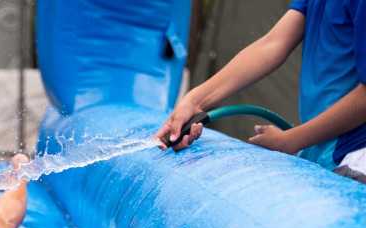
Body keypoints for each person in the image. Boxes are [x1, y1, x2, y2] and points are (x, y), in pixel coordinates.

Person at [156, 1, 366, 181]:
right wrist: (194, 100)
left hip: (356, 158)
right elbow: (273, 44)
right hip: (324, 152)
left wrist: (291, 140)